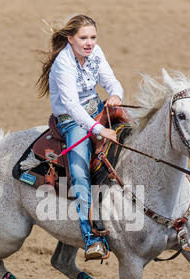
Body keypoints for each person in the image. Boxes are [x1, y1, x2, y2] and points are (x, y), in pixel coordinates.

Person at [37, 15, 123, 260]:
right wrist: (98, 129)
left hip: (96, 108)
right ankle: (92, 238)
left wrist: (116, 94)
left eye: (93, 37)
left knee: (134, 130)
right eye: (83, 38)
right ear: (70, 39)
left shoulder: (95, 53)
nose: (89, 43)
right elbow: (72, 107)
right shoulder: (62, 64)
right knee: (79, 172)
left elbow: (110, 80)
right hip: (71, 120)